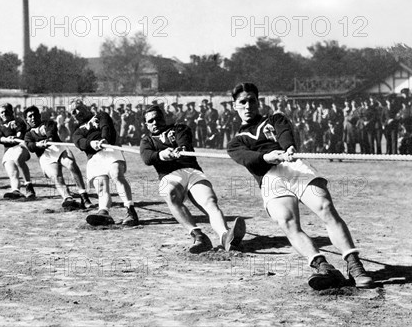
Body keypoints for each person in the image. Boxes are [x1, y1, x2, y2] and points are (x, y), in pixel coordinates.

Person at [227, 82, 374, 290]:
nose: (248, 105)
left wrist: (288, 148)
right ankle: (323, 267)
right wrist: (267, 156)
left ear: (258, 101)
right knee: (287, 223)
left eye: (252, 100)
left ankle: (354, 265)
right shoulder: (234, 142)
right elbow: (248, 159)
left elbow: (285, 132)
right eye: (242, 102)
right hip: (270, 178)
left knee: (325, 207)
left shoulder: (274, 118)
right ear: (234, 105)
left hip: (294, 167)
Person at [140, 105, 246, 254]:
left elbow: (184, 142)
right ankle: (199, 236)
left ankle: (225, 236)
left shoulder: (179, 129)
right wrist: (163, 154)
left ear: (164, 118)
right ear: (146, 124)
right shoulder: (147, 140)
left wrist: (180, 150)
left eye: (158, 119)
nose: (155, 123)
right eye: (150, 121)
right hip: (169, 176)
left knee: (210, 202)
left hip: (192, 171)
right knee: (169, 193)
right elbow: (147, 158)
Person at [71, 101, 138, 226]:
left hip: (109, 149)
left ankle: (131, 211)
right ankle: (104, 213)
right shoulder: (77, 131)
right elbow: (79, 142)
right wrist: (91, 144)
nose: (77, 112)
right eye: (73, 112)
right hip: (94, 157)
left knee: (116, 174)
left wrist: (104, 139)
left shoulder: (101, 115)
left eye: (79, 108)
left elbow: (106, 127)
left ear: (85, 107)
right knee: (101, 186)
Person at [24, 105, 95, 210]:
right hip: (45, 155)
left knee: (71, 164)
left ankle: (84, 197)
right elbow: (30, 147)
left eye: (35, 115)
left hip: (57, 147)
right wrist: (38, 144)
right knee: (56, 176)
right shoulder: (28, 134)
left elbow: (51, 132)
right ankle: (67, 198)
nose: (33, 118)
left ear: (39, 115)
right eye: (30, 116)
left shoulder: (48, 123)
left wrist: (48, 139)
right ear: (27, 120)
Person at [0, 103, 35, 201]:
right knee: (12, 172)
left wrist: (15, 137)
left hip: (20, 146)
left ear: (11, 112)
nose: (3, 114)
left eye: (6, 112)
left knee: (17, 158)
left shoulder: (18, 121)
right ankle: (16, 190)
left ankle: (28, 185)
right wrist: (7, 139)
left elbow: (20, 132)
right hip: (8, 150)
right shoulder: (0, 126)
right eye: (1, 113)